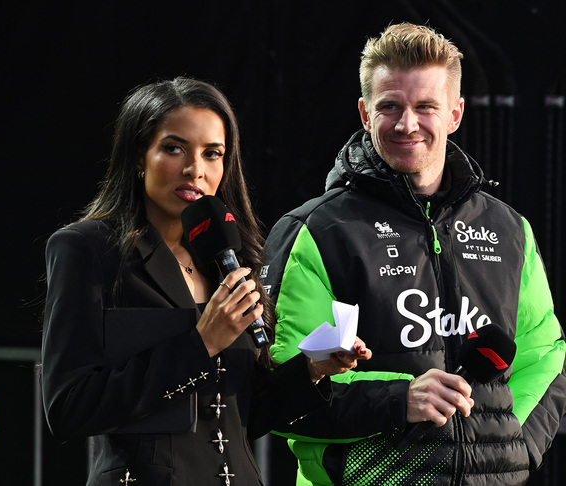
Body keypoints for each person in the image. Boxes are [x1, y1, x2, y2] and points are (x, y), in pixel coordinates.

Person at [262, 22, 566, 485]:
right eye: (390, 107)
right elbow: (278, 394)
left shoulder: (509, 230)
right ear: (365, 113)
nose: (407, 124)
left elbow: (544, 356)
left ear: (455, 113)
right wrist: (398, 399)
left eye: (426, 106)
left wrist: (510, 444)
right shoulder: (315, 232)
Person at [41, 77, 370, 485]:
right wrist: (202, 343)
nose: (195, 169)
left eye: (212, 153)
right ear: (138, 156)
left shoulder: (226, 256)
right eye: (174, 148)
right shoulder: (87, 249)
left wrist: (313, 370)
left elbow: (239, 415)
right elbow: (68, 408)